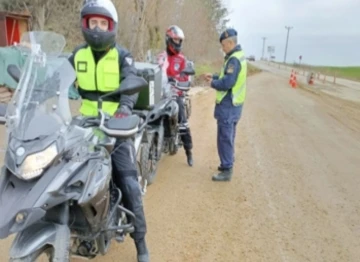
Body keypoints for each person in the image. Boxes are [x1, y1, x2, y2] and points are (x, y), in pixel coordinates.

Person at [68, 0, 149, 261]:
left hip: (114, 126)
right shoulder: (77, 55)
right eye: (94, 22)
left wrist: (124, 109)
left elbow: (131, 83)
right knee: (61, 171)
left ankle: (141, 242)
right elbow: (55, 78)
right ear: (86, 24)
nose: (98, 28)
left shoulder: (122, 56)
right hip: (84, 126)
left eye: (103, 23)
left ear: (112, 26)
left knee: (128, 182)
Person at [204, 28, 247, 182]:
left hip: (228, 105)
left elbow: (228, 82)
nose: (222, 48)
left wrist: (213, 83)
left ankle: (227, 168)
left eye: (223, 45)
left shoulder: (234, 60)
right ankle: (226, 163)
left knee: (224, 138)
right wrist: (214, 76)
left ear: (230, 42)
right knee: (229, 136)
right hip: (235, 105)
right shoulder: (236, 57)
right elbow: (226, 76)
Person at [157, 25, 194, 166]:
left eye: (180, 41)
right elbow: (155, 72)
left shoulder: (182, 59)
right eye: (176, 40)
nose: (178, 44)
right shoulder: (161, 57)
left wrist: (179, 81)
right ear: (169, 40)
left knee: (183, 122)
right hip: (162, 94)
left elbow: (187, 79)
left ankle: (189, 152)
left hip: (176, 93)